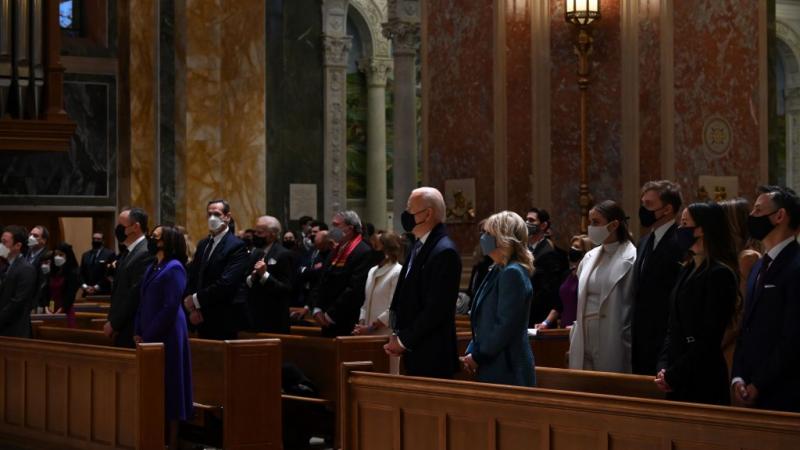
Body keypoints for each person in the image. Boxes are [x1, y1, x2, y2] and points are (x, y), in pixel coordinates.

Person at [654, 202, 739, 405]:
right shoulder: (687, 268)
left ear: (701, 229)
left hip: (702, 376)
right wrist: (664, 366)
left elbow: (709, 338)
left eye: (684, 223)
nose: (679, 229)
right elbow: (673, 325)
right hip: (677, 373)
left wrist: (675, 373)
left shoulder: (720, 274)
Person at [732, 186, 800, 412]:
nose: (751, 216)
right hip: (748, 385)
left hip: (783, 391)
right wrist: (738, 377)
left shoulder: (796, 265)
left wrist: (759, 383)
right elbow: (746, 326)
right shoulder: (758, 266)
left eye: (758, 210)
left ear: (779, 216)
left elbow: (793, 337)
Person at [386, 187, 462, 378]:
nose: (406, 215)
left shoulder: (444, 252)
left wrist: (403, 341)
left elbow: (436, 309)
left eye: (410, 210)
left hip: (432, 356)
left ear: (427, 214)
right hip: (415, 352)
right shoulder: (419, 245)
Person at [134, 225, 192, 449]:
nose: (151, 239)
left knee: (171, 384)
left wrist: (148, 335)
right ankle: (153, 434)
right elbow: (143, 300)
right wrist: (138, 330)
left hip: (168, 333)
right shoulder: (154, 266)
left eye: (155, 237)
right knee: (153, 385)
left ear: (167, 242)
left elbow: (169, 306)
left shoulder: (175, 267)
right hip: (149, 332)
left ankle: (172, 440)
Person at [461, 211, 535, 387]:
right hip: (494, 362)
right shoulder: (497, 269)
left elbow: (504, 325)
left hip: (506, 366)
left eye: (488, 234)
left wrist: (479, 355)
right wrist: (473, 350)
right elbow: (483, 319)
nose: (483, 238)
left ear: (503, 238)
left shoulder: (513, 273)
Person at [568, 200, 636, 373]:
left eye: (596, 222)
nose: (590, 227)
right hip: (584, 333)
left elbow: (631, 302)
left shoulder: (631, 257)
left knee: (608, 388)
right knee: (584, 387)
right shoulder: (590, 256)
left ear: (613, 225)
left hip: (612, 333)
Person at [631, 180, 684, 375]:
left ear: (667, 209)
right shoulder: (644, 241)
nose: (642, 209)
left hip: (665, 334)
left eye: (649, 205)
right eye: (642, 203)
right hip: (641, 333)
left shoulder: (680, 241)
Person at [183, 199, 249, 340]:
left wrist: (195, 300)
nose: (212, 218)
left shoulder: (237, 246)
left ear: (227, 216)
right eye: (209, 214)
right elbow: (194, 276)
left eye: (217, 214)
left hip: (223, 317)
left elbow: (227, 283)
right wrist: (193, 308)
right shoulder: (203, 244)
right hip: (200, 316)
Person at [309, 210, 373, 336]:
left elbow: (354, 289)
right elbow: (322, 280)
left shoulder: (363, 251)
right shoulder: (335, 250)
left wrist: (330, 315)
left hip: (346, 319)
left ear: (350, 228)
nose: (333, 230)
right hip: (325, 317)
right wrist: (317, 308)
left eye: (336, 225)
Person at [105, 208, 154, 347]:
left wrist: (114, 323)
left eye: (121, 225)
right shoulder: (128, 252)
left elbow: (134, 293)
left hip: (131, 326)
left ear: (136, 227)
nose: (118, 229)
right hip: (122, 326)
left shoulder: (145, 252)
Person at [242, 216, 294, 333]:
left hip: (274, 319)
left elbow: (286, 288)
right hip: (254, 316)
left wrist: (264, 275)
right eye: (255, 231)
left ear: (272, 234)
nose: (255, 235)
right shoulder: (256, 253)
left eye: (260, 232)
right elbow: (245, 281)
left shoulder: (284, 254)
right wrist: (252, 277)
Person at [353, 231, 404, 336]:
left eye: (376, 247)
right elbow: (366, 303)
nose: (372, 251)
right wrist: (361, 323)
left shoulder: (397, 272)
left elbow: (393, 310)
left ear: (387, 251)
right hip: (366, 332)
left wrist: (371, 328)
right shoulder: (372, 270)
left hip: (385, 334)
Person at [525, 208, 568, 329]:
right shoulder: (524, 249)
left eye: (531, 220)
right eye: (526, 219)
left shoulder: (550, 252)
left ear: (543, 225)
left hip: (539, 316)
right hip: (524, 313)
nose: (526, 223)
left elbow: (549, 290)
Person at [0, 225, 36, 337]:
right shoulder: (4, 265)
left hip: (15, 330)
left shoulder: (26, 269)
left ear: (18, 245)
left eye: (4, 242)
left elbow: (17, 302)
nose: (1, 246)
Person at [43, 243, 81, 327]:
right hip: (51, 309)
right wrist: (46, 307)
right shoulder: (52, 273)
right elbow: (46, 292)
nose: (57, 257)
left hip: (65, 311)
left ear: (67, 256)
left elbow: (70, 295)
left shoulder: (73, 273)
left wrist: (60, 311)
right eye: (56, 254)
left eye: (61, 254)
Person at [559, 234, 593, 328]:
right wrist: (545, 323)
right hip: (564, 326)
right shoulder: (567, 274)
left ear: (585, 252)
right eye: (572, 246)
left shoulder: (589, 276)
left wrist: (577, 325)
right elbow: (559, 304)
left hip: (580, 327)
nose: (572, 249)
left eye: (577, 247)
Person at [26, 225, 49, 312]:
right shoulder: (25, 254)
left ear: (43, 240)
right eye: (30, 234)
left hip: (36, 302)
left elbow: (43, 282)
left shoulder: (47, 256)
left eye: (35, 236)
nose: (31, 237)